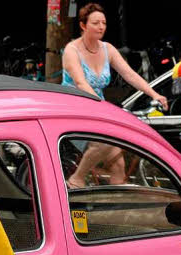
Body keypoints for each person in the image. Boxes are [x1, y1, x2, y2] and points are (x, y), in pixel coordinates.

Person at [61, 3, 168, 187]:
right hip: (74, 108)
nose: (101, 26)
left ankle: (116, 206)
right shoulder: (72, 50)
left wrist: (154, 93)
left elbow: (129, 74)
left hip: (98, 109)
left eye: (103, 22)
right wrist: (102, 106)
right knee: (103, 143)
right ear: (83, 25)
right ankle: (76, 179)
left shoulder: (107, 49)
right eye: (95, 23)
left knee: (118, 163)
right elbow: (81, 83)